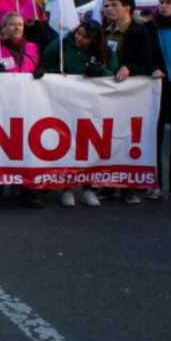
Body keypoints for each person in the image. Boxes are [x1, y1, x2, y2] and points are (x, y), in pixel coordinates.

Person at [37, 21, 117, 207]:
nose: (80, 39)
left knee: (89, 147)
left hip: (94, 107)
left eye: (86, 37)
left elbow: (113, 75)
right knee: (68, 144)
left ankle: (89, 188)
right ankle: (67, 187)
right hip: (66, 105)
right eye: (78, 34)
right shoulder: (62, 46)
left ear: (95, 40)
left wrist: (100, 71)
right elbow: (46, 64)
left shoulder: (106, 53)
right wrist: (46, 72)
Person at [0, 13, 42, 209]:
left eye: (20, 24)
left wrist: (42, 72)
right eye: (12, 25)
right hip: (1, 107)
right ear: (4, 28)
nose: (17, 28)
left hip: (28, 106)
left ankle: (28, 191)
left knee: (27, 149)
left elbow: (42, 67)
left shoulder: (32, 48)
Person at [102, 0, 156, 204]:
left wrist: (129, 68)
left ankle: (129, 187)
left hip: (131, 94)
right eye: (106, 6)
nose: (109, 9)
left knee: (128, 138)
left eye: (114, 5)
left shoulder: (140, 32)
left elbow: (149, 63)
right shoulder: (106, 31)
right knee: (107, 138)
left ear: (127, 8)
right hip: (108, 92)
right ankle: (107, 184)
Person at [147, 0, 171, 200]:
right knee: (153, 135)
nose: (163, 6)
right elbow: (146, 53)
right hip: (157, 85)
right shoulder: (151, 28)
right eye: (161, 2)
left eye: (168, 3)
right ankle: (154, 182)